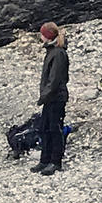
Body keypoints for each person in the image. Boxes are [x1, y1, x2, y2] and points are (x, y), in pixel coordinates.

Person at [33, 22, 70, 174]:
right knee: (45, 129)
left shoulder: (58, 53)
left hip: (56, 98)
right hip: (51, 98)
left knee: (55, 129)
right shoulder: (52, 51)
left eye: (42, 34)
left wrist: (44, 96)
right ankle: (45, 160)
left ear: (47, 36)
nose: (40, 37)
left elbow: (55, 80)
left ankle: (56, 162)